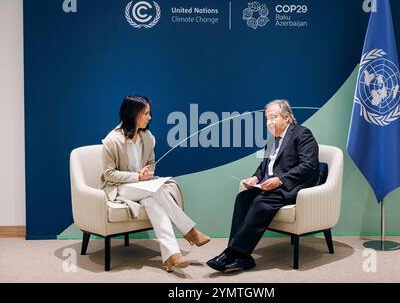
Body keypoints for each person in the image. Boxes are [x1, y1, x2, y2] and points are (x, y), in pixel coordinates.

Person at [207, 99, 320, 273]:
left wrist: (280, 180)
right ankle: (243, 258)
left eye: (273, 117)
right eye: (267, 118)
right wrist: (254, 178)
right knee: (243, 198)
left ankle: (231, 253)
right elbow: (264, 168)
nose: (269, 122)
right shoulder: (272, 141)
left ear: (287, 118)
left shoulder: (302, 134)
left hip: (290, 187)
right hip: (270, 186)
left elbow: (308, 166)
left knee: (262, 201)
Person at [100, 94, 210, 272]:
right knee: (157, 190)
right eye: (146, 113)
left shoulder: (148, 137)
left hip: (144, 188)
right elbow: (108, 174)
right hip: (119, 189)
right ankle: (190, 231)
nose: (149, 117)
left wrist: (147, 173)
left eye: (149, 113)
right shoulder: (112, 140)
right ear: (132, 114)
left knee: (154, 202)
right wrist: (137, 177)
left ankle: (171, 255)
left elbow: (151, 164)